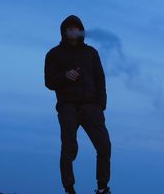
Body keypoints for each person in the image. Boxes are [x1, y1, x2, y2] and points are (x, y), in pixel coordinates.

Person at [44, 15, 112, 194]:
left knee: (104, 145)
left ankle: (102, 188)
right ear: (64, 32)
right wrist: (64, 76)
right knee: (69, 148)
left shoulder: (91, 53)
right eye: (69, 29)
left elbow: (100, 80)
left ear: (81, 30)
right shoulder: (53, 54)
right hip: (68, 106)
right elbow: (49, 82)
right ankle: (69, 189)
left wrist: (100, 106)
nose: (73, 31)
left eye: (76, 28)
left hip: (91, 106)